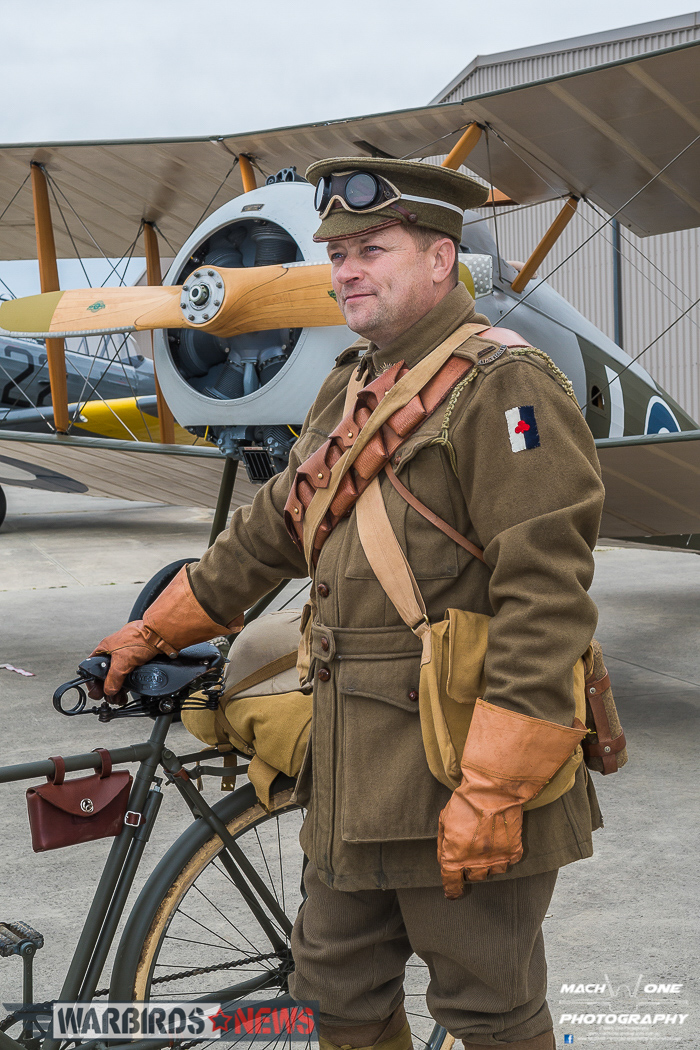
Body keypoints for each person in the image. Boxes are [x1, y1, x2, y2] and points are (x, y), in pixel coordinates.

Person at [90, 158, 605, 1050]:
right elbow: (272, 531)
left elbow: (546, 597)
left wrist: (495, 787)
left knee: (488, 1012)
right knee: (333, 998)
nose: (346, 269)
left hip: (460, 764)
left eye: (374, 247)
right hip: (352, 771)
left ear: (442, 260)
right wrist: (154, 627)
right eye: (339, 253)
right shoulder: (356, 384)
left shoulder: (505, 388)